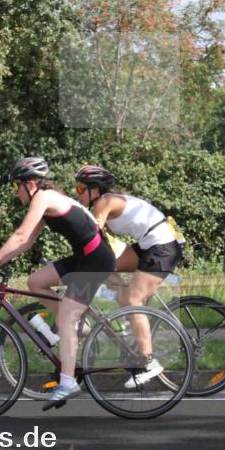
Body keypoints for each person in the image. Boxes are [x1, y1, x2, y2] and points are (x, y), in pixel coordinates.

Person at [0, 157, 116, 405]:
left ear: (29, 183)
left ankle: (68, 383)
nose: (15, 192)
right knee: (36, 281)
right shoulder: (45, 200)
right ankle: (78, 328)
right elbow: (27, 242)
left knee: (66, 319)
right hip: (85, 257)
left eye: (15, 186)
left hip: (95, 260)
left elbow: (20, 235)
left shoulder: (44, 197)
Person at [73, 165, 184, 388]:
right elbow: (103, 245)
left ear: (95, 190)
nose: (77, 193)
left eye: (80, 189)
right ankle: (127, 320)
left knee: (133, 299)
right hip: (149, 244)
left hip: (161, 246)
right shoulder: (104, 204)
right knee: (108, 267)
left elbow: (90, 238)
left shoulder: (104, 203)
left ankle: (149, 362)